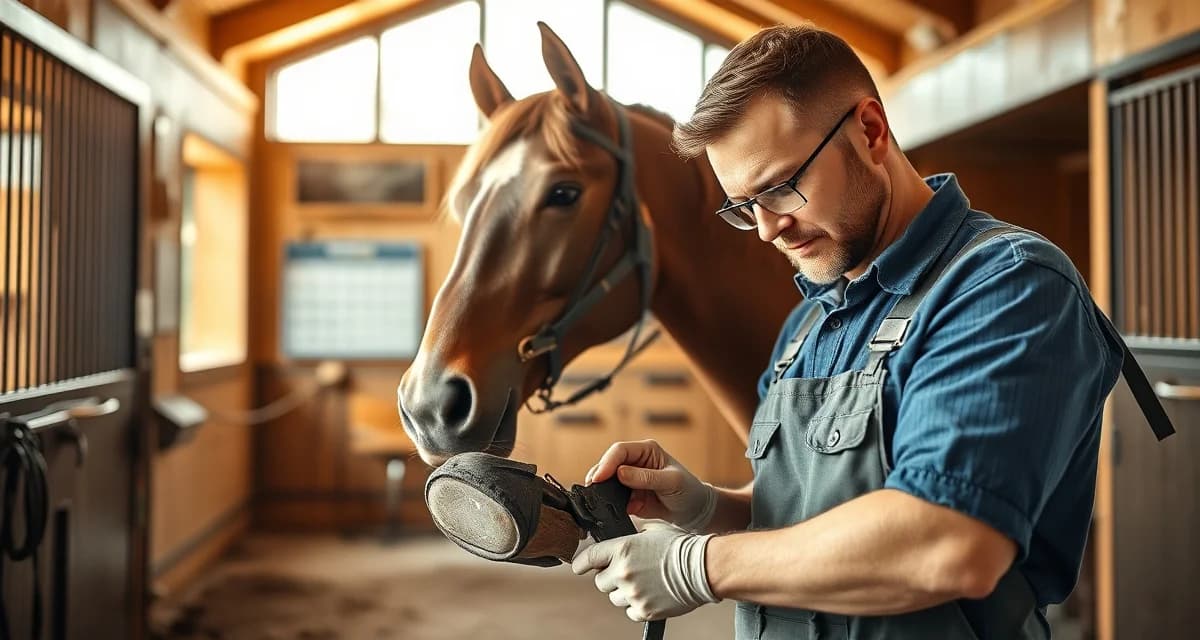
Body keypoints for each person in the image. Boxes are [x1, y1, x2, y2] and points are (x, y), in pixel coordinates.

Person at [570, 24, 1127, 639]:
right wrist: (710, 508)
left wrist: (695, 565)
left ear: (870, 131)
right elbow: (822, 506)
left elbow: (949, 543)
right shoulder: (812, 318)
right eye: (742, 205)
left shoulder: (1004, 287)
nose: (766, 230)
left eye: (781, 188)